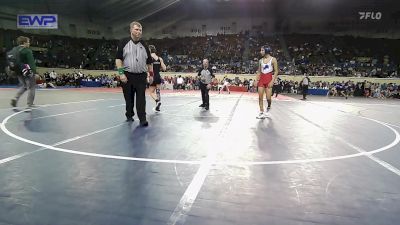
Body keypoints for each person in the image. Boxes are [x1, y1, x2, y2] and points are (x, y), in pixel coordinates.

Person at [115, 21, 153, 126]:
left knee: (141, 98)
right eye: (136, 29)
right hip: (127, 75)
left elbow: (149, 62)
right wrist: (121, 74)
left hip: (141, 76)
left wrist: (151, 75)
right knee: (129, 98)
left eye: (140, 30)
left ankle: (142, 119)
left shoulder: (145, 44)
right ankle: (129, 114)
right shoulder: (123, 42)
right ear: (131, 30)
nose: (139, 32)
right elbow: (118, 60)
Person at [10, 36, 38, 112]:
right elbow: (31, 62)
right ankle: (29, 105)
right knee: (31, 87)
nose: (29, 43)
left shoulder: (14, 50)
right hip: (26, 70)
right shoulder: (27, 51)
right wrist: (34, 72)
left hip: (18, 71)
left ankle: (15, 98)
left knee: (24, 86)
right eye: (28, 42)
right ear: (24, 43)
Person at [255, 46, 278, 119]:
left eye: (262, 50)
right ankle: (261, 112)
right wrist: (256, 80)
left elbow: (276, 71)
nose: (260, 52)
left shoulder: (273, 59)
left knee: (268, 98)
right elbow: (259, 71)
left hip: (269, 79)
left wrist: (272, 81)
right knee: (260, 97)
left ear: (267, 51)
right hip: (262, 79)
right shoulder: (260, 60)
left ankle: (269, 107)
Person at [148, 45, 166, 112]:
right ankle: (157, 107)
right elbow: (164, 68)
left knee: (151, 92)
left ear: (149, 50)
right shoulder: (160, 58)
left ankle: (157, 101)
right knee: (158, 92)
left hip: (152, 76)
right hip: (158, 76)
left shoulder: (149, 58)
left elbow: (148, 68)